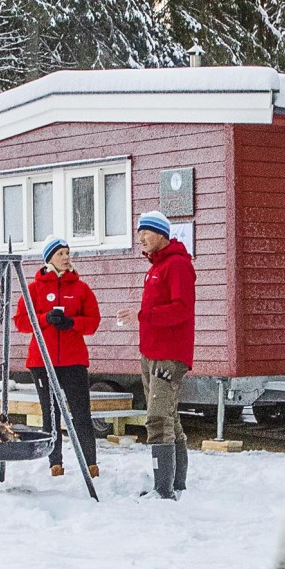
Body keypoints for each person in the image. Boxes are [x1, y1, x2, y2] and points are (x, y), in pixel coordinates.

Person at [116, 210, 194, 499]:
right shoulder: (155, 268)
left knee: (158, 419)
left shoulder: (177, 266)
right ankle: (176, 484)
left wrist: (141, 315)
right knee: (170, 417)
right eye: (139, 233)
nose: (141, 238)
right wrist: (140, 317)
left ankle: (163, 491)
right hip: (151, 354)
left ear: (161, 233)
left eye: (145, 232)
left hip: (169, 355)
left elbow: (181, 309)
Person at [13, 237, 101, 478]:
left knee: (81, 413)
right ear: (49, 258)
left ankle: (90, 464)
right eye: (61, 253)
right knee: (50, 414)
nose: (66, 257)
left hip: (74, 361)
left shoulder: (81, 288)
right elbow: (20, 321)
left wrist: (72, 323)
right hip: (43, 362)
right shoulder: (33, 288)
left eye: (67, 253)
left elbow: (93, 322)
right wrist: (44, 319)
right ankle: (55, 463)